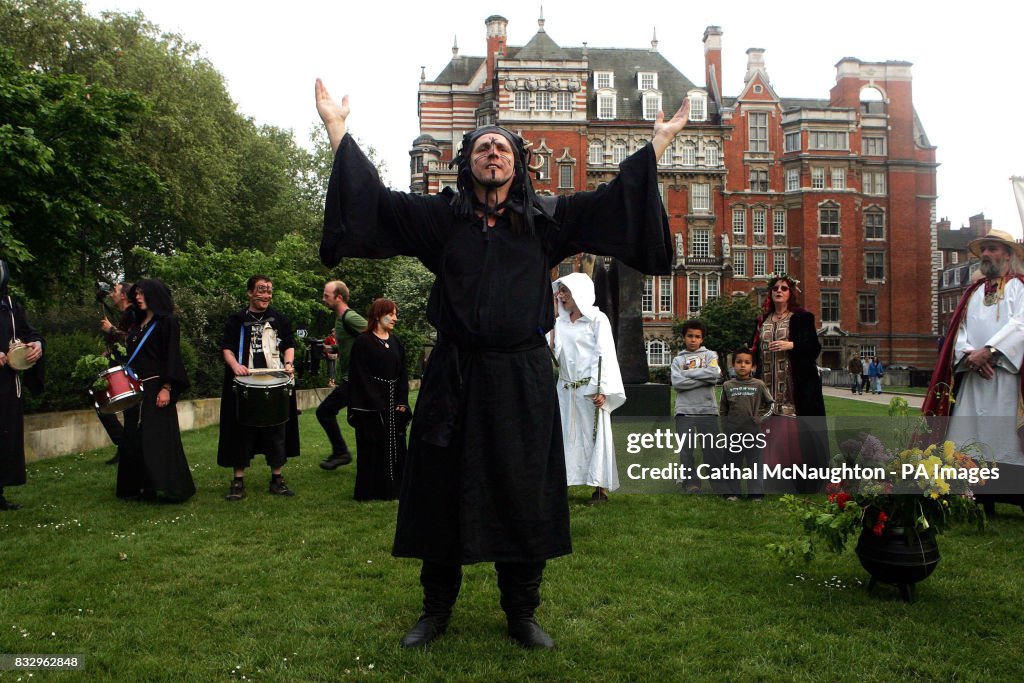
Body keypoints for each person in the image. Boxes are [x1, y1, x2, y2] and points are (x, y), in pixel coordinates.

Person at [315, 79, 681, 649]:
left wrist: (656, 146)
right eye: (483, 147)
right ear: (467, 162)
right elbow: (378, 204)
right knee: (440, 489)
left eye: (502, 149)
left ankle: (522, 613)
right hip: (453, 374)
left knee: (523, 490)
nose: (492, 154)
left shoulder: (545, 219)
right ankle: (435, 611)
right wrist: (337, 130)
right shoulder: (441, 220)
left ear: (519, 164)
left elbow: (608, 206)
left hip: (520, 376)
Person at [923, 229, 1024, 515]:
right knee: (970, 434)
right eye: (985, 250)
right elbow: (959, 330)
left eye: (993, 249)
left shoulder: (1019, 288)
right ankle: (976, 496)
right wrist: (970, 356)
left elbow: (1020, 325)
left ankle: (1014, 492)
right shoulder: (973, 292)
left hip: (1005, 377)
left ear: (1007, 253)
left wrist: (990, 352)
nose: (988, 255)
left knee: (1004, 435)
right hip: (973, 376)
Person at [217, 274, 299, 501]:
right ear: (250, 292)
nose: (266, 295)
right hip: (243, 382)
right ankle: (238, 480)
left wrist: (289, 364)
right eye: (261, 290)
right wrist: (235, 365)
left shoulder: (279, 318)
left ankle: (277, 478)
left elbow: (289, 345)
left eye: (269, 291)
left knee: (276, 429)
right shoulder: (236, 319)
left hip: (273, 380)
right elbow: (227, 347)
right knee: (241, 430)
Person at [115, 279, 195, 502]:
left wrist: (167, 387)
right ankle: (139, 486)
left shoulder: (166, 322)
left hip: (156, 387)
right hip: (135, 388)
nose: (138, 297)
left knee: (157, 437)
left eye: (142, 294)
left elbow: (171, 356)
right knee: (134, 438)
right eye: (136, 294)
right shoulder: (138, 324)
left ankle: (171, 487)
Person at [551, 272, 626, 504]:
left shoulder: (597, 319)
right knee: (563, 436)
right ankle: (559, 484)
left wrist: (601, 388)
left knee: (595, 435)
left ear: (579, 293)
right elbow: (551, 350)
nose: (560, 295)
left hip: (590, 390)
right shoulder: (559, 322)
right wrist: (552, 317)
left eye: (565, 291)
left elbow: (603, 353)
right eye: (559, 290)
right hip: (565, 389)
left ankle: (600, 489)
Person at [750, 274, 827, 493]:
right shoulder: (762, 320)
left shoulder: (802, 317)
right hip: (768, 384)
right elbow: (753, 349)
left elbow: (813, 348)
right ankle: (769, 479)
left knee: (797, 433)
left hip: (795, 386)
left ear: (790, 293)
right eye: (775, 288)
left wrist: (791, 344)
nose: (779, 291)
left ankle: (804, 480)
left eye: (784, 288)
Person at [346, 298, 410, 501]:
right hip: (371, 405)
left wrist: (401, 401)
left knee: (396, 445)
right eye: (390, 314)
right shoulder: (363, 342)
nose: (394, 318)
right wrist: (376, 402)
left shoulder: (396, 342)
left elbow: (402, 373)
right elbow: (359, 374)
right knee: (372, 447)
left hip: (393, 401)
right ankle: (370, 490)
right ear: (377, 315)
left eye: (395, 314)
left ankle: (394, 489)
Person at [0, 260, 44, 511]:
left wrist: (37, 346)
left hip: (7, 386)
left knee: (4, 437)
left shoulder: (12, 307)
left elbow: (31, 333)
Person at [316, 280, 368, 470]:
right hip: (351, 378)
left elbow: (377, 334)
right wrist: (333, 347)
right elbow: (351, 342)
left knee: (324, 412)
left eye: (326, 296)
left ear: (339, 297)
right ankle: (357, 456)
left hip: (355, 379)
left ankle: (342, 453)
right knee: (358, 419)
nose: (323, 299)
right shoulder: (339, 319)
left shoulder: (350, 317)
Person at [670, 319, 721, 493]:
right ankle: (691, 483)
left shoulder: (710, 356)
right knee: (686, 450)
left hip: (708, 410)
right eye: (690, 336)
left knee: (711, 449)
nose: (693, 339)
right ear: (684, 337)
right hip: (684, 411)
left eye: (697, 337)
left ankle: (718, 483)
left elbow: (714, 375)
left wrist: (688, 374)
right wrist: (702, 379)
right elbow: (677, 383)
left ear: (702, 339)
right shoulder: (678, 360)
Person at [719, 349, 774, 500]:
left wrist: (762, 418)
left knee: (755, 465)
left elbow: (771, 405)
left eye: (747, 362)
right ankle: (732, 493)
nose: (743, 365)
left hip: (754, 433)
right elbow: (723, 410)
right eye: (739, 362)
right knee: (731, 465)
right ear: (733, 364)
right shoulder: (727, 385)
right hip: (733, 434)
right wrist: (725, 428)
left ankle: (756, 494)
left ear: (753, 367)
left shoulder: (759, 384)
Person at [96, 281, 135, 465]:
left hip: (127, 368)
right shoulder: (124, 315)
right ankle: (125, 445)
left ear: (124, 296)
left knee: (126, 408)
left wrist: (111, 329)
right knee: (101, 401)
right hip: (117, 364)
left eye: (116, 290)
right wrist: (109, 351)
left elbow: (132, 340)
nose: (112, 293)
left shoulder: (133, 313)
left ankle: (125, 446)